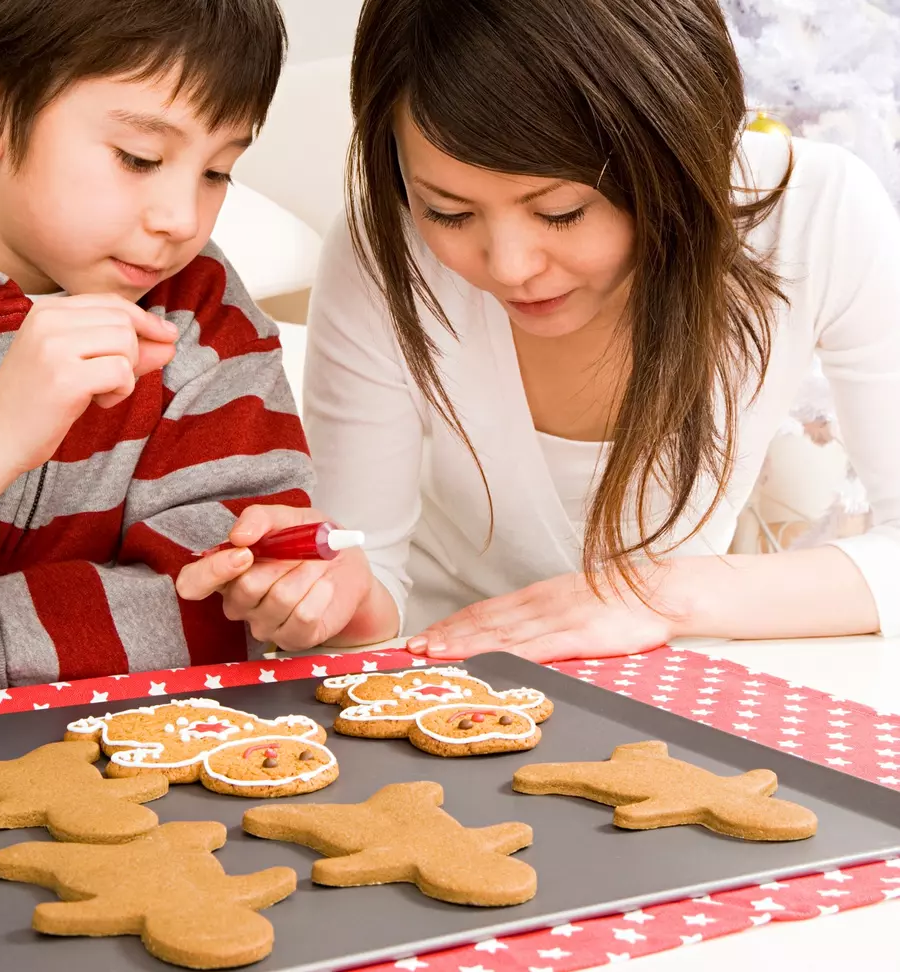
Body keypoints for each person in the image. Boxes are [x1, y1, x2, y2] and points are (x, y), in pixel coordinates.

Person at [178, 0, 900, 664]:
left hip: (677, 682)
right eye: (450, 212)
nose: (511, 267)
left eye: (560, 213)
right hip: (440, 678)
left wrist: (658, 595)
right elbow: (372, 580)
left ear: (679, 153)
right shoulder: (388, 248)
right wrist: (328, 598)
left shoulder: (813, 216)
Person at [0, 0, 313, 700]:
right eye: (140, 158)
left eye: (216, 171)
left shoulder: (201, 312)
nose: (180, 219)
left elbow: (226, 609)